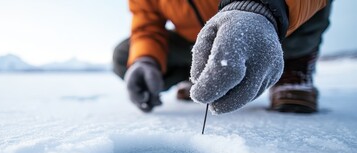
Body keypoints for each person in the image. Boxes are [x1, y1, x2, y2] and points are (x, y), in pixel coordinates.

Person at [113, 0, 332, 114]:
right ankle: (199, 74)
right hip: (198, 43)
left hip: (267, 25)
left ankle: (292, 67)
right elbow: (147, 25)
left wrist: (259, 8)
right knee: (125, 55)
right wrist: (145, 59)